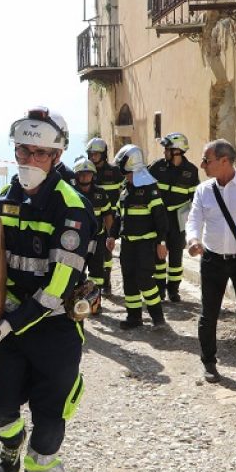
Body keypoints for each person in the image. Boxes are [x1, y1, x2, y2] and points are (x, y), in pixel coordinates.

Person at [0, 107, 95, 472]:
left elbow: (58, 286)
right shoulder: (1, 200)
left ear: (56, 155)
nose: (28, 159)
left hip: (55, 329)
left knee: (49, 422)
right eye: (22, 150)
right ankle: (11, 441)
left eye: (39, 152)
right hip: (11, 323)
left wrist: (12, 322)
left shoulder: (73, 209)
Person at [185, 139, 236, 389]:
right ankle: (209, 362)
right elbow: (194, 218)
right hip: (212, 259)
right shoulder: (204, 190)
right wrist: (193, 239)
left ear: (224, 161)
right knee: (208, 314)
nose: (202, 165)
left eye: (206, 160)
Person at [113, 144, 168, 330]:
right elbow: (119, 215)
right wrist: (111, 236)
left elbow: (160, 217)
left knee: (144, 279)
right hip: (128, 244)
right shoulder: (125, 189)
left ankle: (158, 317)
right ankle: (134, 317)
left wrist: (161, 241)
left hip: (145, 243)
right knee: (128, 280)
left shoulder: (149, 187)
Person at [148, 133, 200, 302]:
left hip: (179, 220)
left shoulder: (191, 171)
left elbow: (195, 199)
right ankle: (160, 289)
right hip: (159, 217)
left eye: (167, 149)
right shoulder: (157, 167)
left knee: (176, 256)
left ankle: (173, 290)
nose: (165, 152)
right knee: (159, 256)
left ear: (177, 151)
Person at [86, 138, 124, 294]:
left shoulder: (115, 172)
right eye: (90, 154)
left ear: (103, 154)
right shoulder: (87, 170)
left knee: (107, 252)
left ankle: (106, 280)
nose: (93, 157)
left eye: (96, 154)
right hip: (93, 217)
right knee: (95, 252)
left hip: (110, 216)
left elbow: (125, 189)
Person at [71, 158, 115, 294]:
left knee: (97, 273)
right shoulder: (70, 193)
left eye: (88, 173)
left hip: (97, 239)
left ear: (93, 175)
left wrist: (111, 236)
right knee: (76, 271)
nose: (85, 177)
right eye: (82, 174)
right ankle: (75, 303)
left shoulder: (100, 193)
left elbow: (108, 215)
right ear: (77, 175)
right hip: (77, 240)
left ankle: (95, 302)